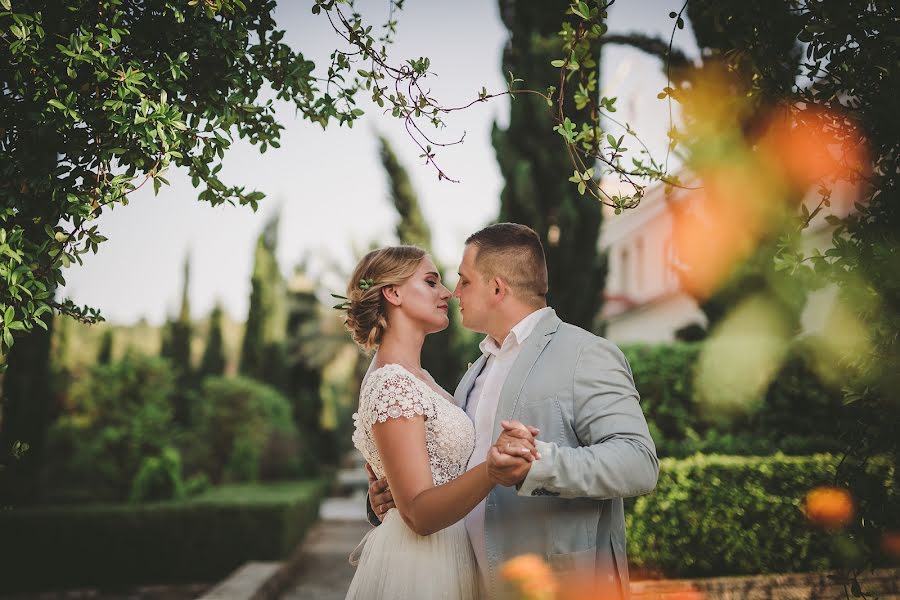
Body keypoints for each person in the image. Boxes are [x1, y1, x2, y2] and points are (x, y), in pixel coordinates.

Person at [367, 223, 659, 598]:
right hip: (462, 583)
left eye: (464, 281)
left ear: (496, 288)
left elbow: (639, 463)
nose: (454, 292)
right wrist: (387, 502)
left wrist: (538, 466)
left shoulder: (585, 354)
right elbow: (448, 471)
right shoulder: (474, 373)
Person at [342, 245, 537, 600]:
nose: (447, 292)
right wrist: (493, 469)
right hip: (422, 565)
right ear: (393, 293)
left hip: (455, 552)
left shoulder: (420, 379)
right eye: (431, 282)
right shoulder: (393, 384)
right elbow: (419, 514)